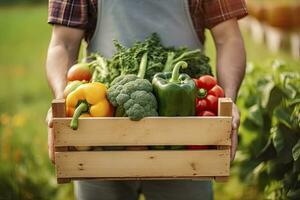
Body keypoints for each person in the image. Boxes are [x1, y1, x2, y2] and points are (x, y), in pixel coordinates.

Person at [46, 0, 247, 199]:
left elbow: (228, 38)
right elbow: (63, 42)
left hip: (184, 140)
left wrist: (227, 101)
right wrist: (61, 102)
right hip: (98, 139)